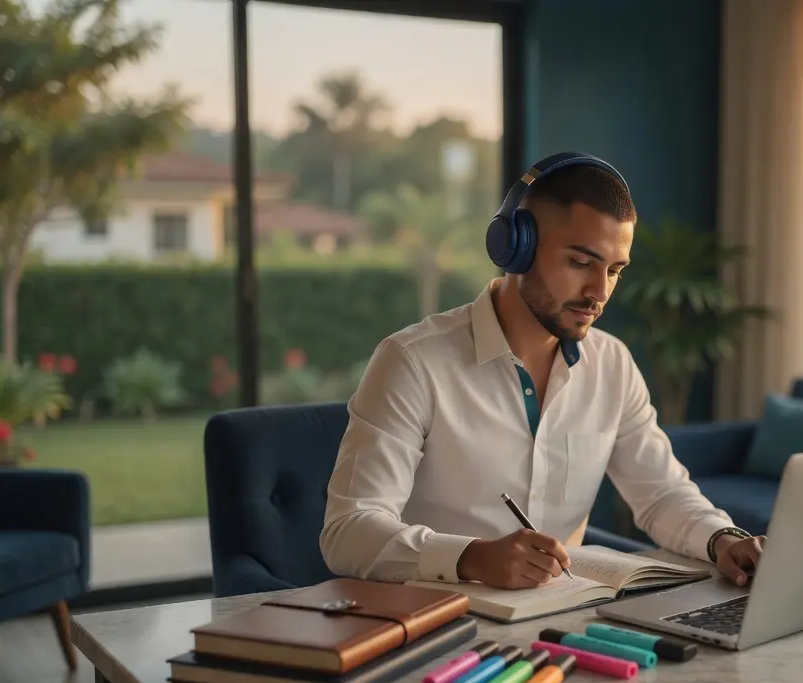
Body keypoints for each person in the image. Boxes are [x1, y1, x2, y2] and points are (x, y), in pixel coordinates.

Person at [320, 152, 765, 590]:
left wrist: (722, 539)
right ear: (516, 248)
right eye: (579, 263)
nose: (599, 292)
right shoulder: (413, 362)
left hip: (560, 621)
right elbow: (349, 532)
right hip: (436, 625)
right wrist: (471, 557)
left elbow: (661, 493)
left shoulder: (613, 364)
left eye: (614, 270)